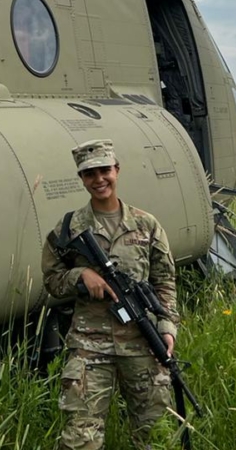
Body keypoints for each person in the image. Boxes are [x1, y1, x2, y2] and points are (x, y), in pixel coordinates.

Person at [41, 139, 180, 450]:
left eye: (104, 170)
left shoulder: (147, 225)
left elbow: (165, 282)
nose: (98, 179)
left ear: (117, 170)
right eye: (89, 173)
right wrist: (80, 275)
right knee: (81, 440)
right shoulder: (69, 229)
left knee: (155, 435)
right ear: (81, 179)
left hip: (142, 344)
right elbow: (51, 280)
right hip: (90, 347)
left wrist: (167, 327)